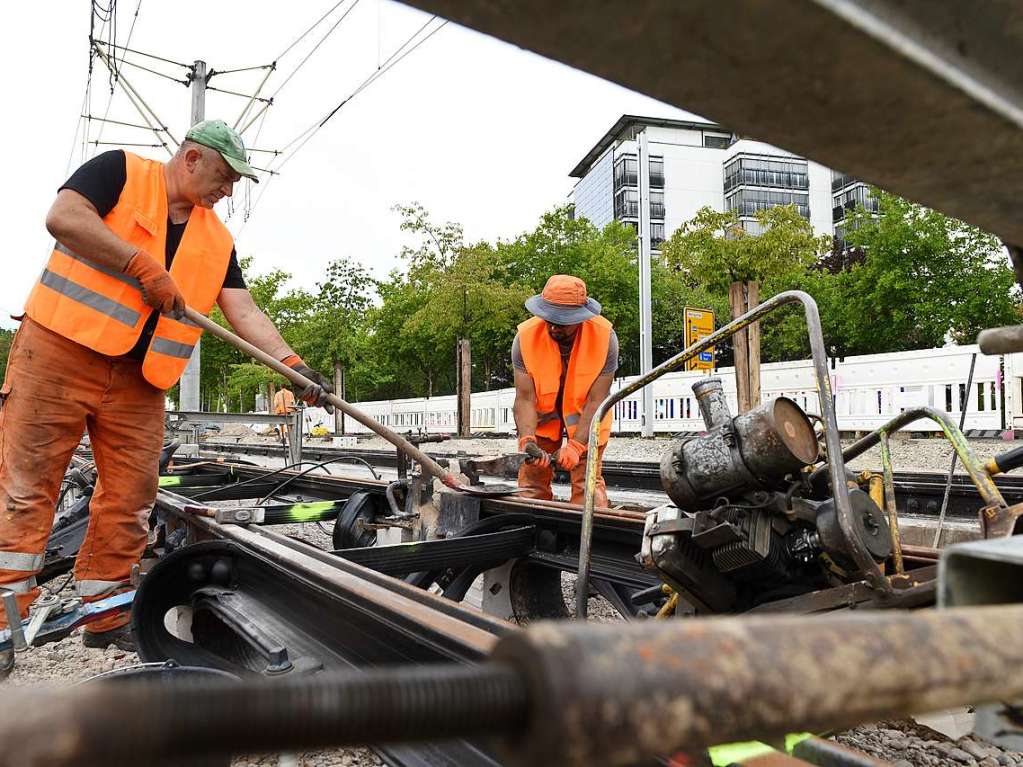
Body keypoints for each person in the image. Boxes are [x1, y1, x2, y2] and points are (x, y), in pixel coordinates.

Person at [0, 120, 335, 652]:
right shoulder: (119, 171)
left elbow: (241, 308)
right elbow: (63, 217)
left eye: (234, 184)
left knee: (132, 496)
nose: (227, 192)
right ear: (192, 158)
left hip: (140, 380)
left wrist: (291, 363)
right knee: (26, 487)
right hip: (58, 354)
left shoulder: (215, 238)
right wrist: (140, 265)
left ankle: (107, 613)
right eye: (224, 177)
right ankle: (1, 621)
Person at [512, 275, 618, 507]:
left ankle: (588, 535)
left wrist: (577, 445)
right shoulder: (525, 338)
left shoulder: (605, 339)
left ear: (580, 318)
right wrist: (527, 439)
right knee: (531, 484)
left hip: (587, 420)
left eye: (561, 322)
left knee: (587, 487)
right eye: (549, 318)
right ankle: (533, 528)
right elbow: (525, 398)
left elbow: (597, 400)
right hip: (541, 420)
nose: (552, 326)